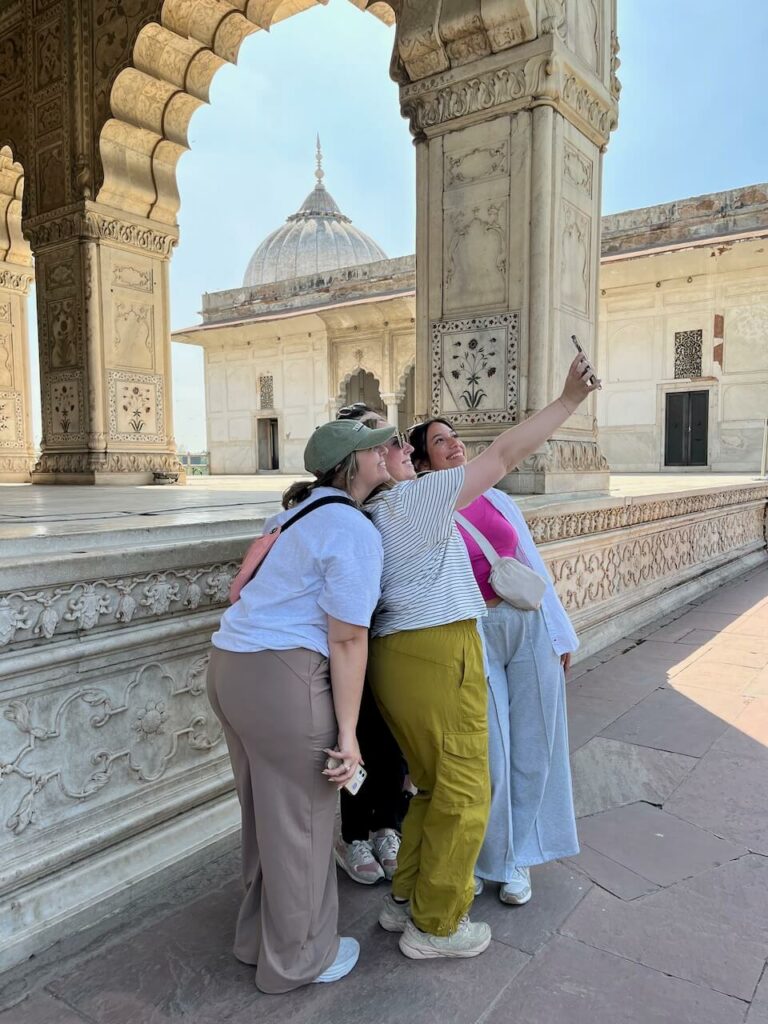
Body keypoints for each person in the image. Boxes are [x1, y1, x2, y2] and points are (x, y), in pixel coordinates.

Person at [365, 354, 599, 961]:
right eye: (388, 445)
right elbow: (504, 454)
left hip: (407, 650)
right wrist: (568, 401)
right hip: (442, 647)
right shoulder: (413, 501)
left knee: (435, 788)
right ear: (394, 465)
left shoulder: (372, 511)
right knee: (467, 786)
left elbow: (525, 559)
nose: (395, 448)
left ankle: (406, 901)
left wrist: (557, 631)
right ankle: (436, 926)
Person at [206, 418, 393, 993]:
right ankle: (298, 961)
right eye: (376, 446)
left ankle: (255, 940)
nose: (387, 452)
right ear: (350, 463)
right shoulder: (350, 527)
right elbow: (346, 638)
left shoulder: (289, 516)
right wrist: (349, 735)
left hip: (230, 667)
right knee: (305, 827)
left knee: (266, 818)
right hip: (285, 677)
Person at [408, 416, 580, 907]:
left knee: (537, 742)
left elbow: (530, 563)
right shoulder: (427, 508)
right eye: (440, 442)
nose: (455, 445)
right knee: (492, 752)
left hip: (527, 626)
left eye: (455, 437)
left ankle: (520, 857)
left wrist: (560, 631)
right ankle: (493, 859)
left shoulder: (498, 500)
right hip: (473, 633)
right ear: (422, 462)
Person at [331, 401, 409, 884]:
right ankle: (354, 834)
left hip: (394, 636)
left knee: (394, 739)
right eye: (376, 442)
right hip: (352, 640)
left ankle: (387, 827)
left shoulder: (405, 499)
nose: (387, 451)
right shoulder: (339, 509)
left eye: (392, 442)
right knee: (357, 733)